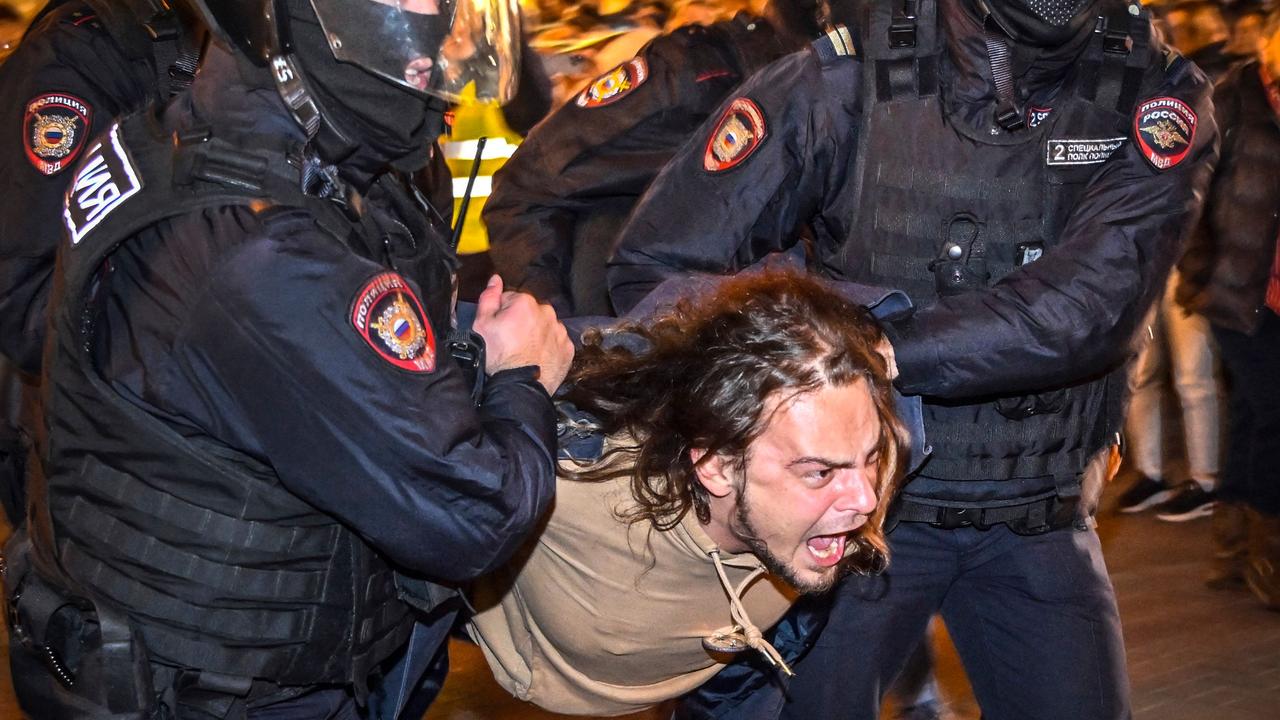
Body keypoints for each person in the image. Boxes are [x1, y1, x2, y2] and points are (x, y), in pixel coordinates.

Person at [606, 0, 1217, 717]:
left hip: (1035, 508)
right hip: (853, 517)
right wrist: (789, 376)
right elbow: (660, 266)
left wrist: (874, 347)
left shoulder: (1151, 89)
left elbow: (1088, 308)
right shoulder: (847, 77)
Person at [3, 1, 573, 719]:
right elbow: (470, 513)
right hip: (218, 689)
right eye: (402, 11)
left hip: (225, 657)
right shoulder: (262, 249)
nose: (429, 51)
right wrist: (524, 376)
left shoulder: (248, 146)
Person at [466, 270, 908, 715]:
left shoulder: (857, 457)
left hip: (734, 673)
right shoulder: (570, 479)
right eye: (819, 473)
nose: (865, 500)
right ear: (716, 466)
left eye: (869, 458)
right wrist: (516, 372)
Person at [483, 0, 834, 317]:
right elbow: (526, 185)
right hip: (636, 361)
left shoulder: (853, 97)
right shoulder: (697, 76)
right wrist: (557, 335)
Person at [0, 0, 206, 528]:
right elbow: (30, 306)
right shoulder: (82, 54)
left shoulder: (275, 41)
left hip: (209, 460)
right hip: (105, 471)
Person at [1175, 6, 1280, 608]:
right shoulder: (1231, 99)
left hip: (1275, 290)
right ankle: (1270, 557)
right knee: (1275, 413)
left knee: (1248, 412)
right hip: (1238, 290)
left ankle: (1233, 550)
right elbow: (1192, 193)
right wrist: (1199, 274)